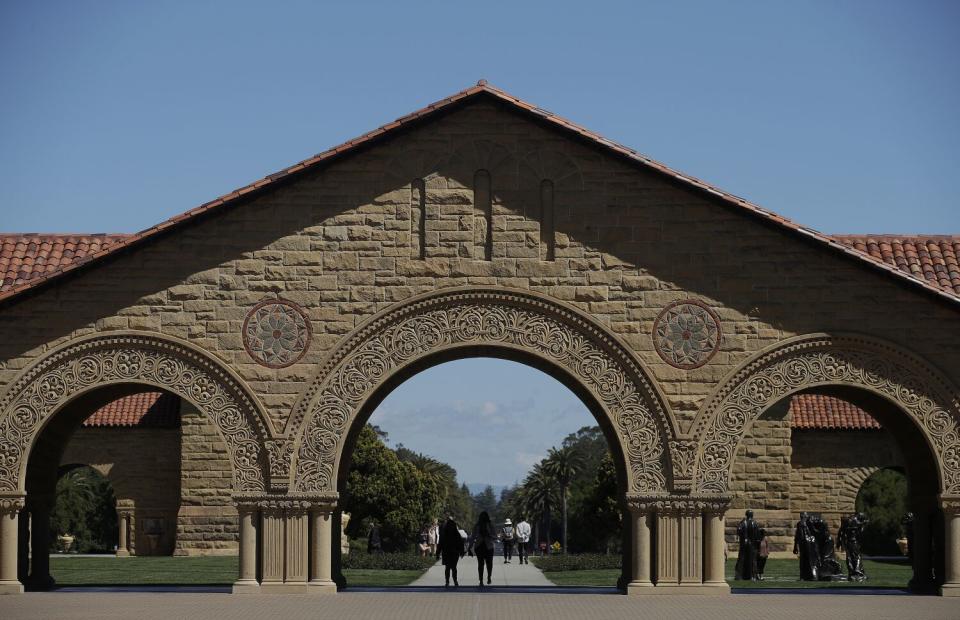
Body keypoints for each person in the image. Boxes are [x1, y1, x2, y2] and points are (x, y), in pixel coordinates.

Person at [436, 514, 465, 587]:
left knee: (448, 567)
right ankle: (455, 581)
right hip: (454, 552)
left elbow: (440, 545)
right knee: (454, 567)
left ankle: (447, 581)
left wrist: (437, 553)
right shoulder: (456, 534)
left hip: (447, 552)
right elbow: (461, 544)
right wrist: (462, 552)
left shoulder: (444, 534)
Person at [838, 512, 868, 582]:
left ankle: (852, 573)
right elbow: (859, 530)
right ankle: (857, 572)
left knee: (849, 557)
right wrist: (864, 523)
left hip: (848, 542)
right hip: (853, 542)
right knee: (857, 557)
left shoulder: (848, 520)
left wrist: (840, 542)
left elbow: (841, 531)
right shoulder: (855, 520)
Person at [469, 511, 496, 587]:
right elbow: (473, 536)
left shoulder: (490, 525)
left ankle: (488, 577)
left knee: (488, 563)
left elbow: (495, 536)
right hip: (480, 546)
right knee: (481, 564)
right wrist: (470, 547)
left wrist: (489, 534)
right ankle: (481, 580)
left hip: (488, 546)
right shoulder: (477, 526)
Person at [734, 509, 761, 581]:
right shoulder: (754, 523)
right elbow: (758, 534)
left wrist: (742, 537)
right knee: (752, 559)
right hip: (752, 544)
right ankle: (753, 575)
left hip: (744, 544)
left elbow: (739, 530)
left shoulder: (743, 522)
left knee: (742, 559)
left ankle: (739, 576)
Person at [793, 512, 818, 580]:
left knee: (806, 560)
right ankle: (808, 576)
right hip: (806, 543)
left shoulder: (805, 523)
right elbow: (799, 535)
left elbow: (799, 535)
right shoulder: (803, 523)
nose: (807, 516)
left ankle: (807, 576)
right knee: (807, 560)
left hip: (806, 543)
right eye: (805, 515)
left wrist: (796, 546)